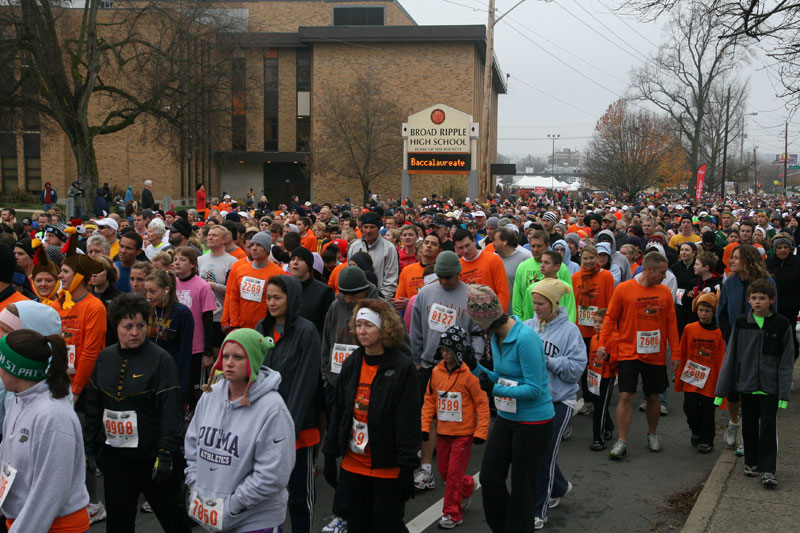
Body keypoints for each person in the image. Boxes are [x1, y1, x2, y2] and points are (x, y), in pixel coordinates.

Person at [83, 293, 190, 532]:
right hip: (116, 458)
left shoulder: (161, 360)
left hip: (152, 457)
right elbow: (93, 405)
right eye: (128, 326)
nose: (135, 332)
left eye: (141, 326)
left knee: (173, 519)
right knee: (119, 523)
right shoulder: (105, 357)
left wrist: (166, 452)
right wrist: (90, 447)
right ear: (117, 327)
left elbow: (171, 410)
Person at [322, 299, 420, 533]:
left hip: (387, 468)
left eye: (368, 325)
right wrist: (329, 452)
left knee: (387, 526)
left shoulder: (402, 367)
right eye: (358, 325)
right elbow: (339, 411)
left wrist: (407, 467)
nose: (362, 331)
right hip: (354, 466)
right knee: (357, 525)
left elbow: (407, 421)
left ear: (384, 328)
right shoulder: (352, 363)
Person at [463, 285, 554, 533]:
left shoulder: (526, 338)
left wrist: (493, 390)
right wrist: (474, 366)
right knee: (490, 478)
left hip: (534, 422)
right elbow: (501, 377)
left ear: (486, 319)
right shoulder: (495, 336)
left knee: (522, 486)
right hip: (506, 417)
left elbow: (534, 389)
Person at [185, 328, 295, 532]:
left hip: (255, 522)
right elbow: (192, 447)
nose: (228, 362)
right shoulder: (210, 395)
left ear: (253, 361)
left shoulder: (273, 408)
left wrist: (233, 506)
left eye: (238, 357)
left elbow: (273, 474)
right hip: (213, 515)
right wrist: (195, 487)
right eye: (225, 356)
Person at [0, 329, 91, 532]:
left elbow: (50, 492)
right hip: (23, 521)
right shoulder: (18, 398)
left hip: (57, 526)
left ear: (16, 369)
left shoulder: (53, 416)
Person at [598, 252, 680, 459]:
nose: (665, 276)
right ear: (649, 269)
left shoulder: (663, 293)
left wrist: (676, 353)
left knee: (653, 396)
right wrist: (602, 344)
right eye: (662, 272)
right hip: (628, 352)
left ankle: (652, 434)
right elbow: (609, 319)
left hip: (655, 354)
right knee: (625, 395)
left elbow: (671, 324)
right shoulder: (624, 289)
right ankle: (622, 440)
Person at [256, 275, 322, 533]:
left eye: (277, 297)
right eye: (268, 297)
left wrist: (286, 428)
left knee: (298, 496)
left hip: (298, 429)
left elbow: (306, 384)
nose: (271, 303)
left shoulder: (307, 331)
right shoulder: (261, 327)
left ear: (291, 298)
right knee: (267, 495)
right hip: (264, 426)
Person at [715, 279, 794, 488]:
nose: (757, 302)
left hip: (770, 387)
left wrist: (784, 395)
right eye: (754, 298)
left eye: (762, 298)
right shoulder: (741, 323)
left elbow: (786, 362)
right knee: (749, 425)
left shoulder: (781, 324)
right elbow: (731, 357)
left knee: (768, 427)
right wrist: (721, 389)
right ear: (749, 300)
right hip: (747, 385)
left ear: (772, 300)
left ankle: (768, 469)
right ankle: (751, 462)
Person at [524, 279, 586, 530]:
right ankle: (559, 486)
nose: (536, 307)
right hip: (533, 400)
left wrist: (548, 360)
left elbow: (575, 370)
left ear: (554, 304)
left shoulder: (571, 331)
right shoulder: (527, 327)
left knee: (544, 452)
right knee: (536, 453)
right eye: (534, 303)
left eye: (541, 303)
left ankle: (539, 509)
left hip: (561, 400)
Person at [420, 326, 490, 529]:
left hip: (463, 434)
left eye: (449, 350)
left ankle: (452, 513)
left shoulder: (469, 375)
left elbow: (482, 403)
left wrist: (481, 431)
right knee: (444, 471)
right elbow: (429, 401)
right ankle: (467, 485)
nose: (444, 354)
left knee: (452, 475)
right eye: (442, 350)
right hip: (443, 432)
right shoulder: (436, 372)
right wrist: (425, 427)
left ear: (458, 351)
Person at [716, 244, 777, 453]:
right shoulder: (730, 282)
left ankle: (747, 435)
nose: (731, 261)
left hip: (758, 346)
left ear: (748, 260)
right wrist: (729, 336)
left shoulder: (767, 283)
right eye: (731, 258)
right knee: (733, 389)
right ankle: (734, 423)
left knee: (752, 392)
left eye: (735, 258)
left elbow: (773, 314)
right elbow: (721, 313)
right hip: (734, 343)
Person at [675, 293, 725, 454]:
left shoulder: (718, 333)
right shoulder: (690, 328)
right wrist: (678, 370)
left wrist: (720, 381)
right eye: (701, 310)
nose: (703, 314)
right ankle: (696, 430)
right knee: (689, 407)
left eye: (707, 311)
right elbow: (683, 350)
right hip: (691, 377)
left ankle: (707, 439)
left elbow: (720, 357)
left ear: (713, 313)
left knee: (707, 411)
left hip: (709, 379)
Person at [173, 247, 216, 411]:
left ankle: (195, 412)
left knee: (194, 385)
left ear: (192, 264)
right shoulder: (172, 283)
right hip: (176, 344)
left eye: (182, 260)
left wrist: (207, 352)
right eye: (175, 259)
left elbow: (208, 321)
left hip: (195, 347)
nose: (177, 262)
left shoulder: (202, 286)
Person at [144, 269, 194, 399]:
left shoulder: (182, 313)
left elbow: (185, 352)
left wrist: (181, 386)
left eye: (153, 292)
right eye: (147, 291)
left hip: (171, 375)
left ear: (167, 290)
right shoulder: (147, 310)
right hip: (148, 374)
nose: (148, 296)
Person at [223, 232, 284, 330]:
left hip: (266, 329)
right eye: (252, 245)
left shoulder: (278, 273)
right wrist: (234, 325)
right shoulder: (240, 269)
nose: (254, 248)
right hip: (242, 328)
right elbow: (234, 298)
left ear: (267, 249)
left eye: (259, 245)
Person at [453, 228, 510, 310]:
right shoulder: (457, 267)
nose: (465, 250)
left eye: (467, 245)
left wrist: (499, 316)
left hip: (493, 314)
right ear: (456, 248)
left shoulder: (493, 259)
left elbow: (503, 292)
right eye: (461, 248)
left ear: (473, 241)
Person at [347, 212, 399, 299]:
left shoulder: (389, 248)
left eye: (372, 227)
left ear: (378, 228)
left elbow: (390, 279)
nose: (368, 231)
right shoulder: (354, 247)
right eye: (365, 227)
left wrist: (381, 299)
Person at [586, 309, 618, 450]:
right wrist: (589, 369)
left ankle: (598, 439)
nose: (597, 325)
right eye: (595, 322)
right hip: (594, 375)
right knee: (599, 403)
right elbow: (591, 357)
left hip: (607, 376)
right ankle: (609, 426)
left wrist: (608, 358)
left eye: (601, 322)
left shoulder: (614, 339)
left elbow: (617, 361)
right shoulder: (594, 339)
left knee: (599, 407)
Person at [765, 233, 800, 360]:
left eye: (785, 247)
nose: (783, 250)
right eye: (780, 248)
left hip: (791, 308)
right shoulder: (768, 263)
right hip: (771, 307)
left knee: (790, 337)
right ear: (775, 249)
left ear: (790, 249)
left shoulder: (797, 263)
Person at [672, 242, 699, 335]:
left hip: (693, 304)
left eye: (687, 250)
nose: (683, 252)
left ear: (694, 253)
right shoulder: (676, 267)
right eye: (682, 250)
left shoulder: (698, 267)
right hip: (679, 304)